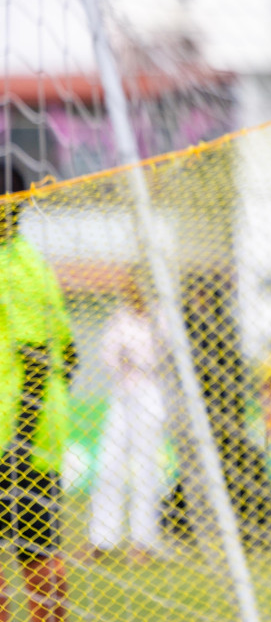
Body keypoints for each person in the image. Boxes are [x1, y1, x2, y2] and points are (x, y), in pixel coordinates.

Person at [0, 166, 75, 622]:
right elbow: (71, 355)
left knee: (37, 554)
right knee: (38, 547)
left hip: (14, 436)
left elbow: (36, 359)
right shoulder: (30, 259)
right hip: (34, 435)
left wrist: (20, 442)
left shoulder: (14, 267)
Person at [87, 281, 167, 562]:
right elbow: (107, 354)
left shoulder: (162, 318)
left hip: (151, 393)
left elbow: (165, 358)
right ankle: (102, 539)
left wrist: (138, 360)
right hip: (122, 393)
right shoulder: (119, 317)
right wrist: (121, 358)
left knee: (146, 469)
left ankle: (142, 541)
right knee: (109, 465)